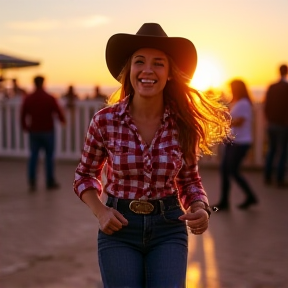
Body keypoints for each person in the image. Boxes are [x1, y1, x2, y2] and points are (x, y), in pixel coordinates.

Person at [73, 23, 231, 288]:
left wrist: (201, 207)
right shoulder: (105, 121)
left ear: (169, 74)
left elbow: (190, 180)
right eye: (139, 62)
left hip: (169, 227)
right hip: (119, 229)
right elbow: (85, 175)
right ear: (129, 71)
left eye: (158, 63)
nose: (148, 70)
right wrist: (100, 212)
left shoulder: (183, 124)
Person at [215, 80, 258, 210]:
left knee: (232, 171)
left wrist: (224, 121)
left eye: (232, 88)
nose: (231, 90)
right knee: (226, 170)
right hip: (234, 142)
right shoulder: (239, 102)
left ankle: (249, 197)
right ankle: (225, 201)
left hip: (241, 143)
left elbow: (240, 121)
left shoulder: (243, 103)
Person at [21, 75, 66, 192]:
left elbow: (23, 114)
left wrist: (25, 126)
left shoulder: (28, 98)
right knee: (49, 157)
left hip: (34, 131)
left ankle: (32, 181)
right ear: (43, 83)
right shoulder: (49, 98)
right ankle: (49, 181)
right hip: (48, 131)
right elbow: (57, 111)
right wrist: (62, 120)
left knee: (33, 156)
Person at [263, 64, 288, 188]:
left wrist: (268, 119)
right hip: (283, 124)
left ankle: (267, 176)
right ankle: (279, 179)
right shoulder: (286, 87)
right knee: (283, 151)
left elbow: (266, 105)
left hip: (271, 123)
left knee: (271, 149)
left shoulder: (272, 87)